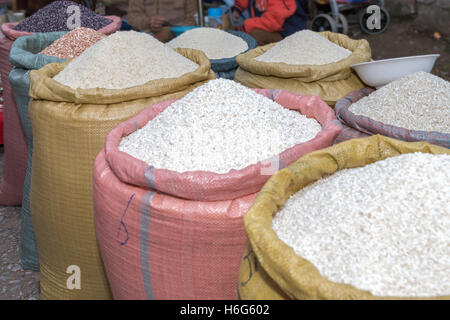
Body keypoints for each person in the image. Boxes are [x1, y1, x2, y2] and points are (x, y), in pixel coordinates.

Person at [231, 0, 308, 45]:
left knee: (254, 35)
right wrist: (238, 7)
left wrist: (245, 27)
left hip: (289, 34)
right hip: (267, 25)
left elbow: (272, 22)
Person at [128, 0, 198, 42]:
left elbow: (193, 20)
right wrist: (148, 22)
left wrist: (170, 32)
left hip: (180, 40)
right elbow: (132, 16)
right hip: (146, 38)